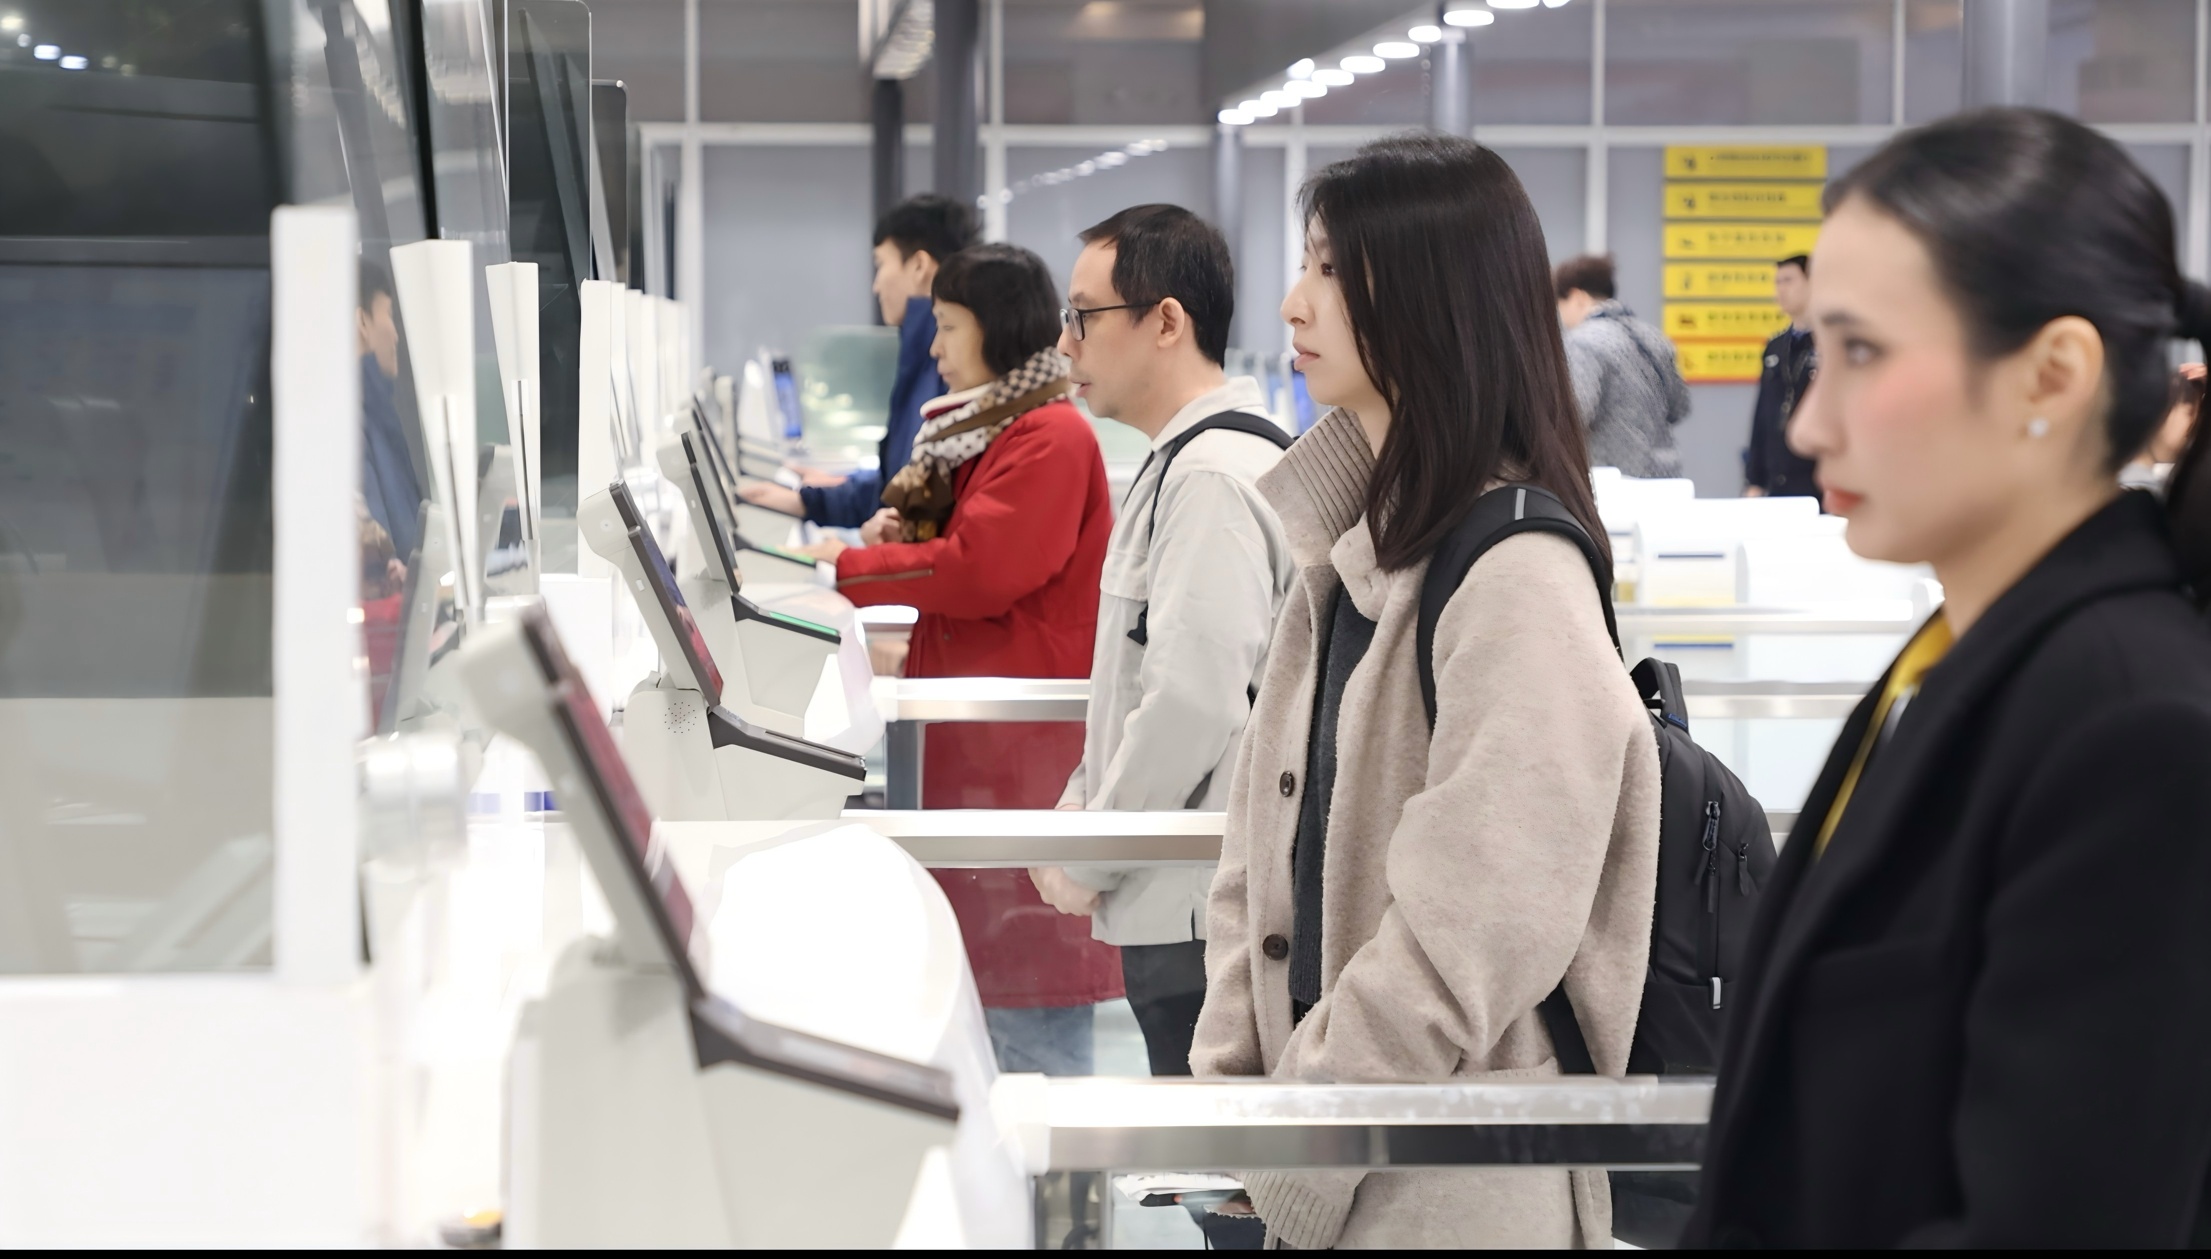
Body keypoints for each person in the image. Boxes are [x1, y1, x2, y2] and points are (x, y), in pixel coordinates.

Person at [1684, 109, 2211, 1248]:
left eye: (1861, 352)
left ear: (2051, 374)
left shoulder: (2133, 727)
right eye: (1816, 354)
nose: (1807, 422)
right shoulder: (1955, 657)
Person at [1190, 134, 1661, 1248]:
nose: (1294, 302)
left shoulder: (1515, 575)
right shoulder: (1350, 553)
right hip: (1328, 1150)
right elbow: (1258, 852)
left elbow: (1474, 929)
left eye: (1329, 269)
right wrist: (1236, 1098)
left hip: (1446, 1187)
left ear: (1431, 297)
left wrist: (1303, 1130)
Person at [811, 243, 1122, 1075]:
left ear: (997, 327)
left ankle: (1043, 1153)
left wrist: (850, 567)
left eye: (948, 326)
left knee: (1031, 999)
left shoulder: (1050, 435)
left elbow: (979, 569)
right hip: (980, 743)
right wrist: (893, 538)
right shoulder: (985, 429)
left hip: (1020, 751)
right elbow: (948, 539)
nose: (935, 347)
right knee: (987, 994)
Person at [1025, 204, 1297, 1079]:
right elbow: (1142, 679)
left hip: (1197, 913)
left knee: (1219, 1160)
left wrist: (1090, 854)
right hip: (1178, 894)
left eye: (1083, 316)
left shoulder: (1210, 480)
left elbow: (1191, 704)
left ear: (1166, 321)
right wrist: (1085, 801)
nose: (1065, 344)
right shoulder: (1183, 463)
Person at [739, 195, 976, 524]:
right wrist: (811, 499)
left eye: (881, 265)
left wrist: (843, 550)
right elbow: (898, 484)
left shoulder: (951, 367)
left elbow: (920, 512)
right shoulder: (919, 354)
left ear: (919, 266)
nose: (876, 285)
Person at [1555, 253, 1690, 478]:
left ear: (1577, 297)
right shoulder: (1655, 337)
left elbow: (1575, 414)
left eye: (1559, 304)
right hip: (1666, 478)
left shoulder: (1583, 341)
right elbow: (1680, 408)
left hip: (1611, 480)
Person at [358, 261, 425, 564]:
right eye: (389, 315)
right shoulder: (354, 426)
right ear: (362, 322)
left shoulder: (377, 412)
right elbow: (383, 559)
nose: (396, 335)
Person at [1743, 253, 1819, 497]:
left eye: (1789, 281)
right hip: (1778, 477)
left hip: (1817, 478)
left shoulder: (1829, 344)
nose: (1781, 289)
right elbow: (1762, 415)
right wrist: (1754, 480)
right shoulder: (1776, 347)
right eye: (1778, 282)